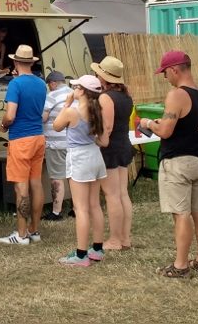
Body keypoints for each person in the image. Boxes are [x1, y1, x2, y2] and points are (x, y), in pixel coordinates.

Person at [138, 50, 198, 278]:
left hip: (178, 162)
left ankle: (180, 265)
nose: (164, 77)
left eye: (165, 73)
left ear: (175, 70)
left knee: (181, 214)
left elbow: (166, 131)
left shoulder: (177, 95)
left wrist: (148, 122)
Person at [53, 75, 108, 266]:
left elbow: (56, 126)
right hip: (95, 156)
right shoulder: (97, 112)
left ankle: (81, 255)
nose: (73, 89)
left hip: (79, 158)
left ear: (82, 91)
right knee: (94, 205)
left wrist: (66, 104)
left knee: (80, 208)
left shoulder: (72, 112)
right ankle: (98, 249)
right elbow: (105, 141)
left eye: (76, 86)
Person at [0, 44, 48, 245]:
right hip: (38, 137)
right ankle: (34, 230)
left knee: (21, 188)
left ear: (16, 62)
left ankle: (21, 234)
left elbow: (10, 115)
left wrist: (2, 125)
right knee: (36, 183)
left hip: (21, 139)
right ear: (32, 62)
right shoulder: (41, 83)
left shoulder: (15, 84)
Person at [91, 56, 134, 251]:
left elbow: (106, 128)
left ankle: (115, 240)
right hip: (124, 144)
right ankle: (125, 238)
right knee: (122, 193)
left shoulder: (106, 97)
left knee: (112, 196)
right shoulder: (126, 95)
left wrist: (96, 141)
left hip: (110, 150)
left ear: (103, 77)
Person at [42, 71, 71, 221]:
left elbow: (43, 117)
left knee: (57, 178)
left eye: (49, 85)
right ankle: (77, 208)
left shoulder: (52, 96)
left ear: (52, 83)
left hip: (56, 143)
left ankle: (56, 212)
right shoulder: (74, 94)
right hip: (73, 142)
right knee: (73, 177)